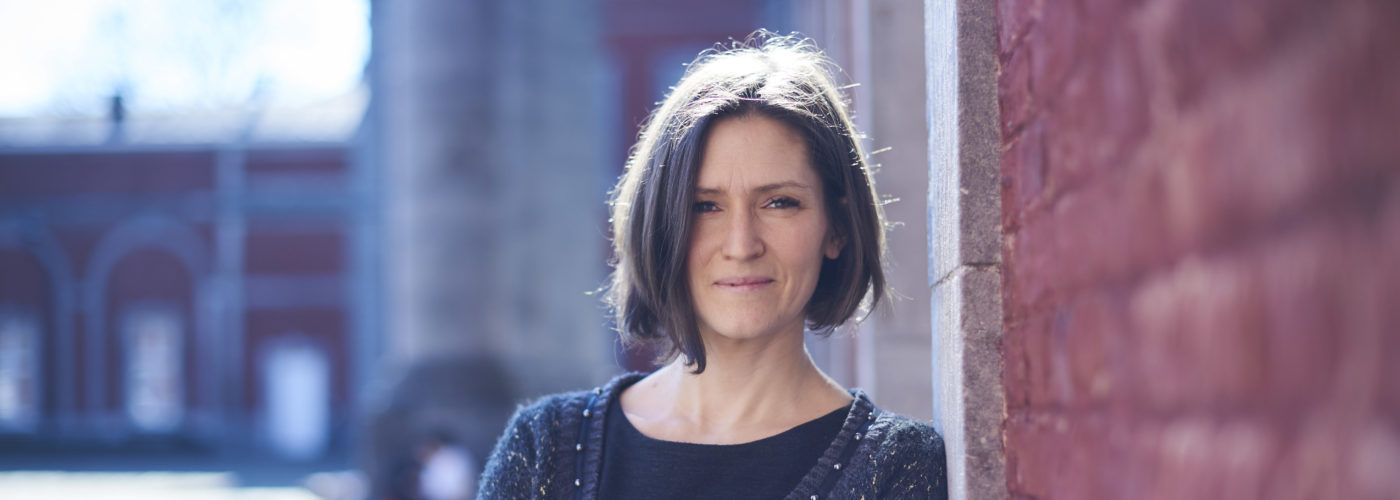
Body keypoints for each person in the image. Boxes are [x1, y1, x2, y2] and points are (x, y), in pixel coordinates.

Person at [477, 33, 947, 499]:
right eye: (705, 206)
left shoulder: (898, 467)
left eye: (779, 202)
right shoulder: (543, 450)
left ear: (837, 227)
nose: (742, 245)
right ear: (661, 227)